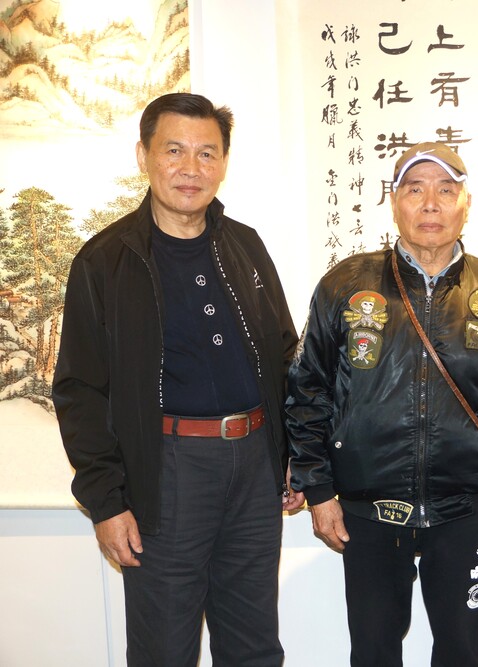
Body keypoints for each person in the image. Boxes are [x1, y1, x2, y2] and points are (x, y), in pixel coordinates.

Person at [53, 92, 304, 665]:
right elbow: (79, 391)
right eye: (174, 150)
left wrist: (296, 452)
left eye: (207, 153)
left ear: (223, 162)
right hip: (165, 472)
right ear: (143, 156)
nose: (191, 168)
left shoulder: (245, 244)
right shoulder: (104, 261)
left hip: (255, 467)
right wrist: (106, 501)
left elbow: (284, 355)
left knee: (255, 647)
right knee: (164, 649)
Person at [285, 142, 478, 667]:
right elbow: (307, 390)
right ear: (394, 203)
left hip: (466, 507)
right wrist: (317, 489)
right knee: (373, 651)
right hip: (367, 505)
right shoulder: (345, 284)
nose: (431, 203)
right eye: (415, 189)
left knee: (461, 651)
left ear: (466, 204)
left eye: (446, 190)